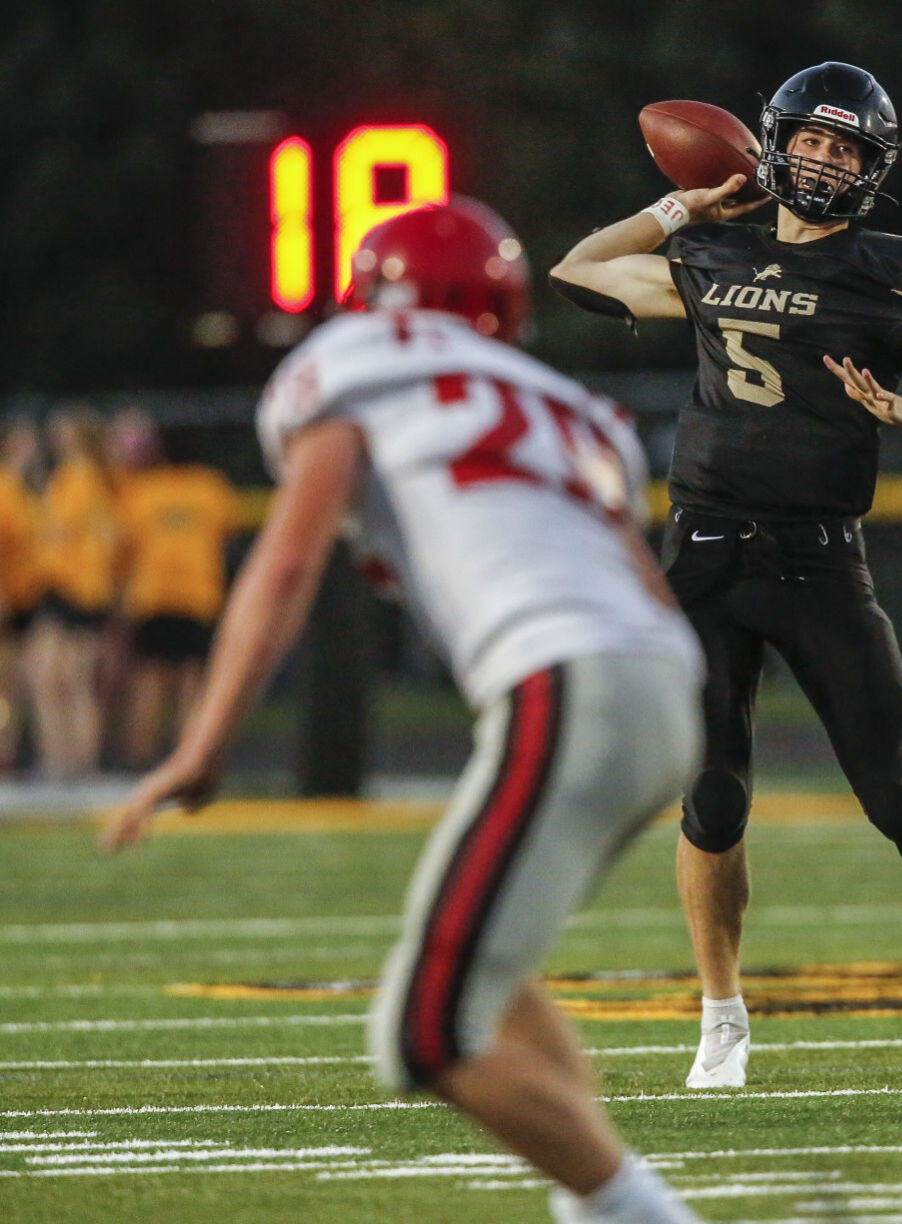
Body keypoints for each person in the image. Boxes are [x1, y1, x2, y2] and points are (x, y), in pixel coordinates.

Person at [102, 198, 716, 1224]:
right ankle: (595, 1203)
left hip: (564, 684)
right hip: (661, 691)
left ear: (374, 296)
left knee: (425, 1031)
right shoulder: (569, 401)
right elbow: (642, 584)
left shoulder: (354, 359)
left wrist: (201, 748)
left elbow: (289, 559)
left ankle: (642, 1214)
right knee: (488, 961)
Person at [553, 60, 902, 1087]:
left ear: (870, 168)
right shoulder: (709, 250)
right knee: (712, 800)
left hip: (818, 560)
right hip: (705, 556)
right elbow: (577, 271)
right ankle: (721, 1017)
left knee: (893, 792)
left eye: (847, 149)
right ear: (776, 144)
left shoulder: (896, 269)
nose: (827, 161)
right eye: (813, 142)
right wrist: (681, 203)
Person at [109, 410, 240, 768]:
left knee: (150, 682)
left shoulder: (142, 491)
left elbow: (124, 547)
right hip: (199, 595)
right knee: (191, 683)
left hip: (154, 595)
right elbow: (226, 536)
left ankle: (141, 761)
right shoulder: (211, 486)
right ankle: (190, 756)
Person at [29, 407, 119, 778]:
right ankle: (68, 763)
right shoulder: (85, 477)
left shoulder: (79, 477)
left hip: (71, 588)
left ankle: (67, 764)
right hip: (73, 589)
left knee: (60, 680)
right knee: (61, 679)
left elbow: (80, 535)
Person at [0, 418, 46, 771]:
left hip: (29, 600)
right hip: (8, 600)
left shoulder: (31, 491)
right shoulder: (5, 489)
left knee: (18, 684)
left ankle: (11, 753)